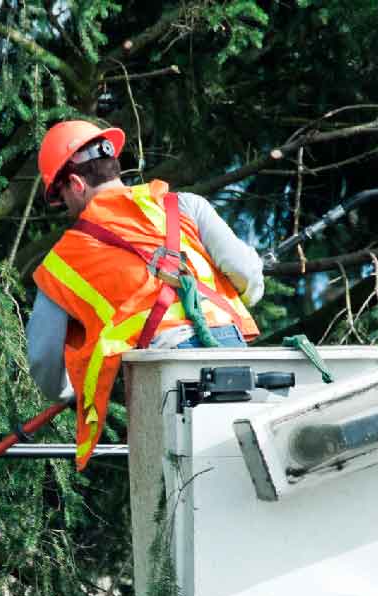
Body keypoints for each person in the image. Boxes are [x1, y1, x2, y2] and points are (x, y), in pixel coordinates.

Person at [27, 120, 266, 469]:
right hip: (230, 347)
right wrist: (249, 294)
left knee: (178, 487)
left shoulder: (63, 260)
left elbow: (45, 361)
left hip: (160, 366)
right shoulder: (182, 206)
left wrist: (73, 391)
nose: (66, 208)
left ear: (75, 184)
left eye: (62, 197)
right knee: (240, 468)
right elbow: (245, 273)